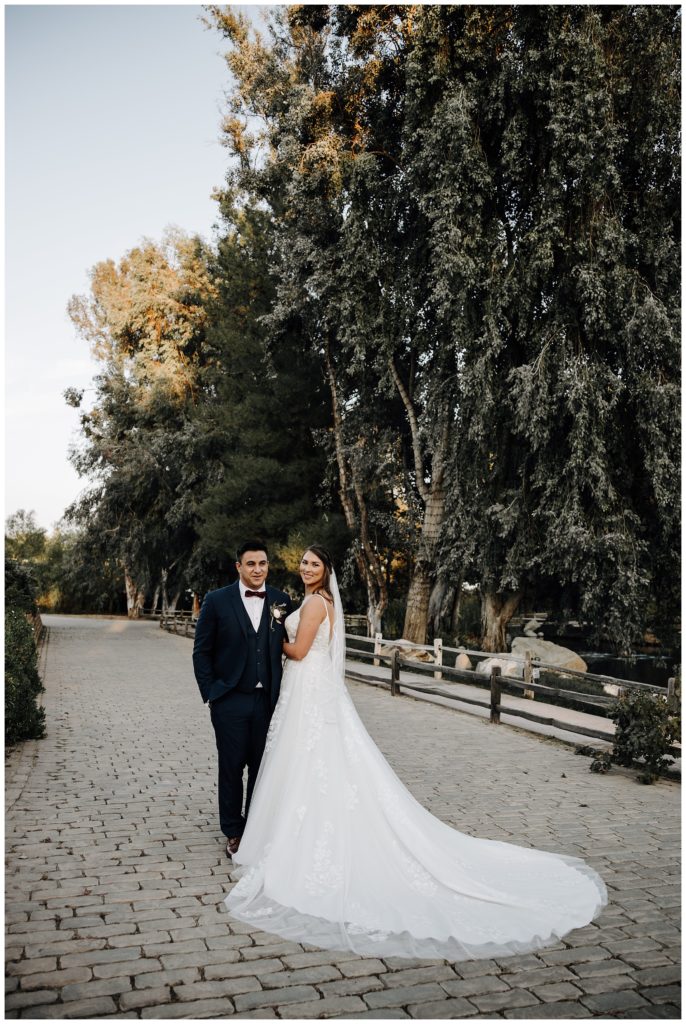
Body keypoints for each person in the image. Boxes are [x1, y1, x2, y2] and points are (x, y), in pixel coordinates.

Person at [225, 545, 607, 960]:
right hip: (312, 692)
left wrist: (273, 638)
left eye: (314, 563)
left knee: (306, 761)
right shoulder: (322, 600)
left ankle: (298, 839)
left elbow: (298, 653)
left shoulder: (315, 603)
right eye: (303, 562)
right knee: (312, 764)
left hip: (308, 690)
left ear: (326, 570)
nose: (306, 568)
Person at [192, 541, 292, 859]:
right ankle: (234, 831)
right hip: (230, 699)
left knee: (262, 768)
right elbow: (202, 651)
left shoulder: (281, 600)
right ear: (239, 567)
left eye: (262, 563)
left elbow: (288, 644)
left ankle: (257, 827)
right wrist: (212, 694)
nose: (258, 569)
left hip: (267, 701)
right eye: (251, 564)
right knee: (232, 767)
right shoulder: (216, 600)